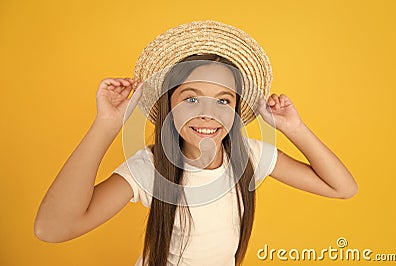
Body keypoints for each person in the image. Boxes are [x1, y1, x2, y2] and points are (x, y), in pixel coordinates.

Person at [34, 21, 358, 266]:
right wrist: (105, 126)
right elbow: (51, 229)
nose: (207, 114)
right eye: (191, 98)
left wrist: (295, 128)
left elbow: (342, 188)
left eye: (223, 101)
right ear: (168, 106)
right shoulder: (149, 169)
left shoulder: (250, 157)